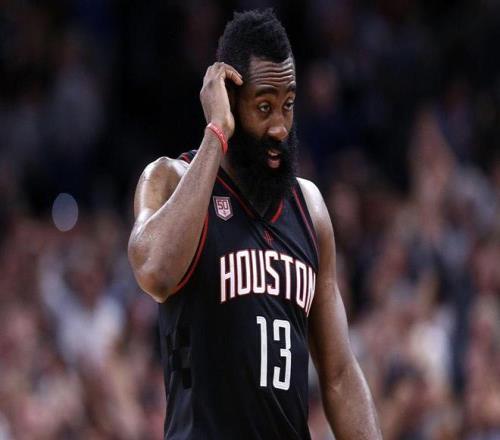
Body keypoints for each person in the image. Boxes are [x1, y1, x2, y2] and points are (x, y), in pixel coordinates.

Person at [128, 9, 381, 440]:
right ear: (229, 98)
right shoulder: (170, 179)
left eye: (288, 105)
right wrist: (217, 132)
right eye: (264, 107)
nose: (280, 127)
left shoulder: (310, 209)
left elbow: (339, 374)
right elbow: (154, 271)